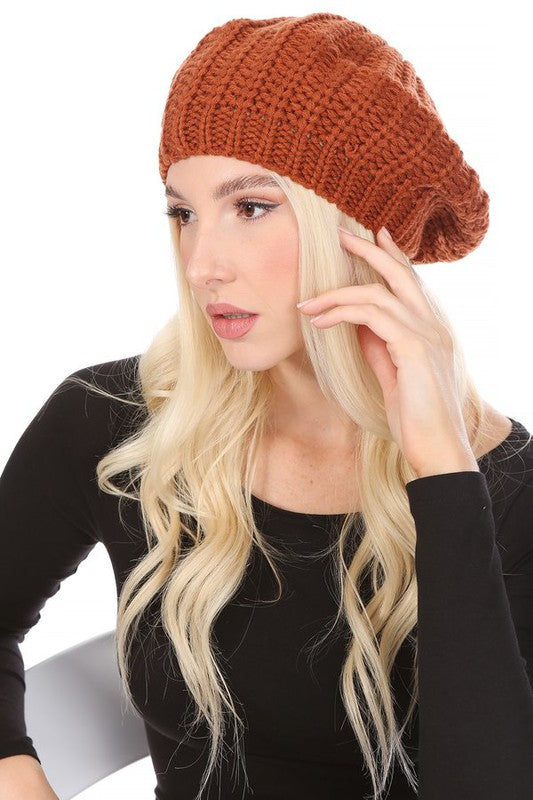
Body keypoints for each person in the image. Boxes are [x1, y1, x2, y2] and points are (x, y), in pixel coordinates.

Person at [1, 11, 532, 800]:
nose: (200, 265)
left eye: (250, 207)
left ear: (360, 232)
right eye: (183, 213)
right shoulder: (110, 420)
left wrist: (442, 475)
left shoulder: (503, 489)